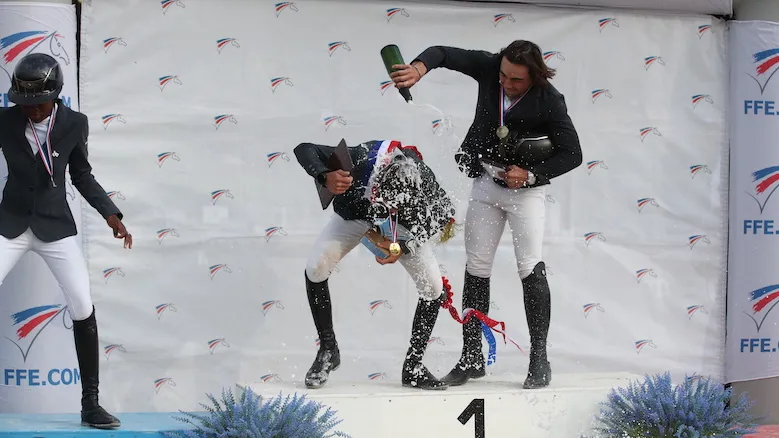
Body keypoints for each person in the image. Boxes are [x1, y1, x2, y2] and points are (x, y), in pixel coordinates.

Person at [390, 40, 582, 389]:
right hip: (485, 183)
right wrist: (419, 68)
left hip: (525, 192)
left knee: (530, 268)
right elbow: (444, 53)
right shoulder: (491, 68)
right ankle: (472, 356)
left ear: (536, 76)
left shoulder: (550, 100)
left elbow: (573, 153)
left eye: (516, 81)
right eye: (504, 76)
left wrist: (532, 175)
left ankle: (539, 359)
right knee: (476, 268)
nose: (506, 83)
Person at [0, 53, 132, 428]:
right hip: (9, 223)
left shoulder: (75, 124)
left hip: (55, 227)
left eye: (38, 104)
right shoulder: (5, 120)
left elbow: (83, 175)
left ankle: (90, 403)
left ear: (55, 95)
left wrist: (112, 215)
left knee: (82, 305)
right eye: (23, 104)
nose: (31, 111)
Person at [294, 139, 456, 390]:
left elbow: (444, 217)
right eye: (389, 201)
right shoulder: (361, 158)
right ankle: (328, 349)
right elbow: (304, 148)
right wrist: (324, 175)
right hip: (358, 214)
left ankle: (413, 366)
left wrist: (404, 246)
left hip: (403, 229)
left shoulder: (425, 182)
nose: (391, 207)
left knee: (433, 289)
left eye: (398, 204)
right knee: (316, 267)